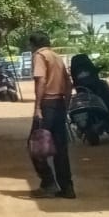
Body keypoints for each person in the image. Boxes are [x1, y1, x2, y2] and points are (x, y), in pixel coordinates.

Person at [29, 33, 74, 199]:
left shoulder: (40, 56)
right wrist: (66, 105)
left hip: (47, 104)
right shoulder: (57, 57)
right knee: (60, 148)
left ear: (33, 44)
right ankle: (67, 188)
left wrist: (37, 107)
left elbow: (41, 81)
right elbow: (69, 83)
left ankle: (48, 183)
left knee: (35, 145)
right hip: (59, 104)